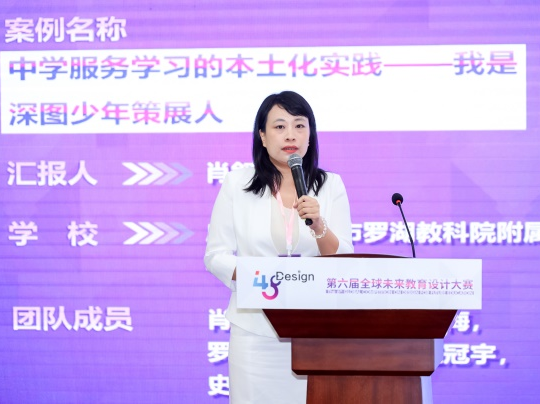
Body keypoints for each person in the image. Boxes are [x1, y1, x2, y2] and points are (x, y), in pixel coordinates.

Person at [204, 91, 354, 403]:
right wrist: (262, 278)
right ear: (262, 135)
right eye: (280, 126)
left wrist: (318, 224)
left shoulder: (331, 185)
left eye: (299, 126)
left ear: (310, 135)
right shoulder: (237, 184)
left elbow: (342, 259)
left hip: (316, 331)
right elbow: (216, 256)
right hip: (254, 331)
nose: (290, 135)